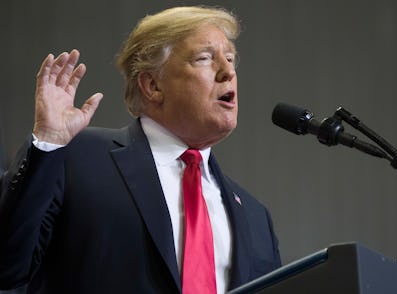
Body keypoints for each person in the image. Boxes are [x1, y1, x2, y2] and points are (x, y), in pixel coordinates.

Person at [0, 6, 281, 294]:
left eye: (231, 58)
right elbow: (8, 267)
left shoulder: (256, 218)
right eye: (205, 58)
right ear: (152, 84)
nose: (228, 72)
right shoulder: (76, 158)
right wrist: (48, 140)